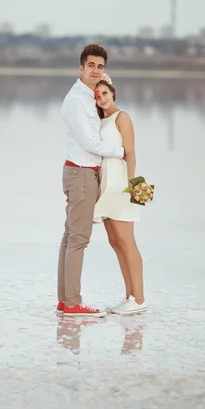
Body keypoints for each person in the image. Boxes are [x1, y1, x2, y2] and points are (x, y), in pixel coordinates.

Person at [57, 44, 125, 318]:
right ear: (81, 68)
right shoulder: (76, 100)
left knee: (70, 237)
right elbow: (89, 142)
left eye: (101, 67)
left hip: (82, 173)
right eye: (91, 66)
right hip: (82, 173)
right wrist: (121, 152)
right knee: (78, 240)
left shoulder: (90, 96)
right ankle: (72, 304)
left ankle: (65, 301)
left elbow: (105, 110)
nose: (96, 70)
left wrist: (106, 87)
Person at [93, 77, 147, 315]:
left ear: (113, 93)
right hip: (105, 187)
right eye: (98, 95)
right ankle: (129, 297)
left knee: (127, 243)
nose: (102, 98)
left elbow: (131, 152)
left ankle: (139, 298)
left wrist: (132, 185)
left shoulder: (122, 117)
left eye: (105, 93)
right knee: (115, 243)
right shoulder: (99, 120)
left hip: (121, 185)